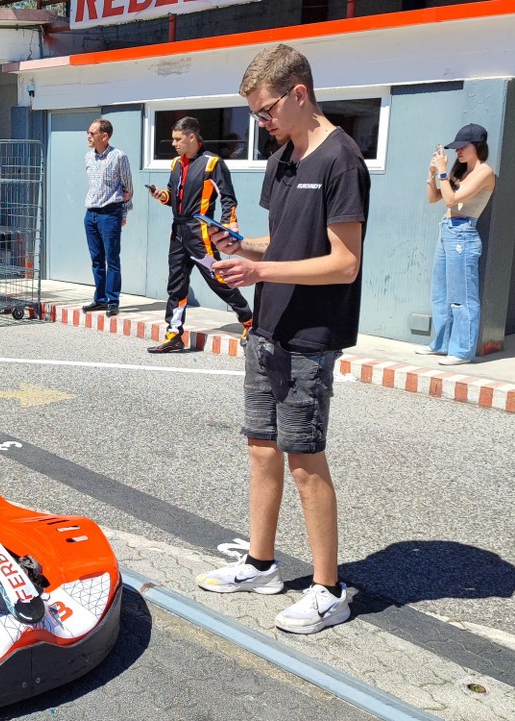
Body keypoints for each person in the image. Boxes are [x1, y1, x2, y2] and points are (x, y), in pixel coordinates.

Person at [195, 44, 370, 635]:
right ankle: (261, 564)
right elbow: (283, 244)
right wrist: (242, 249)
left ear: (299, 94)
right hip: (267, 328)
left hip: (311, 336)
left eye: (266, 110)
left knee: (304, 461)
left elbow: (344, 263)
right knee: (262, 451)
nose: (260, 123)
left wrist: (261, 271)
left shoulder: (342, 161)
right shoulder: (283, 159)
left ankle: (328, 588)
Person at [147, 116, 254, 353]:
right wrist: (161, 196)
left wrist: (229, 224)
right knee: (176, 284)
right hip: (178, 233)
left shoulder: (212, 163)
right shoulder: (176, 164)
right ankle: (173, 334)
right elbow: (174, 197)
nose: (173, 143)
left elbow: (228, 198)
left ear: (191, 136)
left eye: (177, 139)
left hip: (201, 234)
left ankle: (249, 321)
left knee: (217, 280)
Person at [415, 124, 497, 366]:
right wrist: (433, 172)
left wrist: (442, 171)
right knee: (441, 293)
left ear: (478, 146)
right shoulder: (460, 172)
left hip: (464, 234)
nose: (458, 151)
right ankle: (442, 344)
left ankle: (461, 351)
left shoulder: (485, 172)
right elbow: (434, 198)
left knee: (463, 297)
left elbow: (450, 199)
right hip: (447, 231)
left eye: (463, 147)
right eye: (456, 147)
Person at [82, 119, 133, 317]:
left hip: (111, 213)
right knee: (96, 259)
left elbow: (128, 187)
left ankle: (113, 300)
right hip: (91, 214)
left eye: (92, 133)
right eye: (89, 132)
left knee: (112, 259)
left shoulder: (119, 156)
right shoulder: (88, 157)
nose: (89, 136)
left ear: (105, 136)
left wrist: (124, 212)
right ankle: (100, 299)